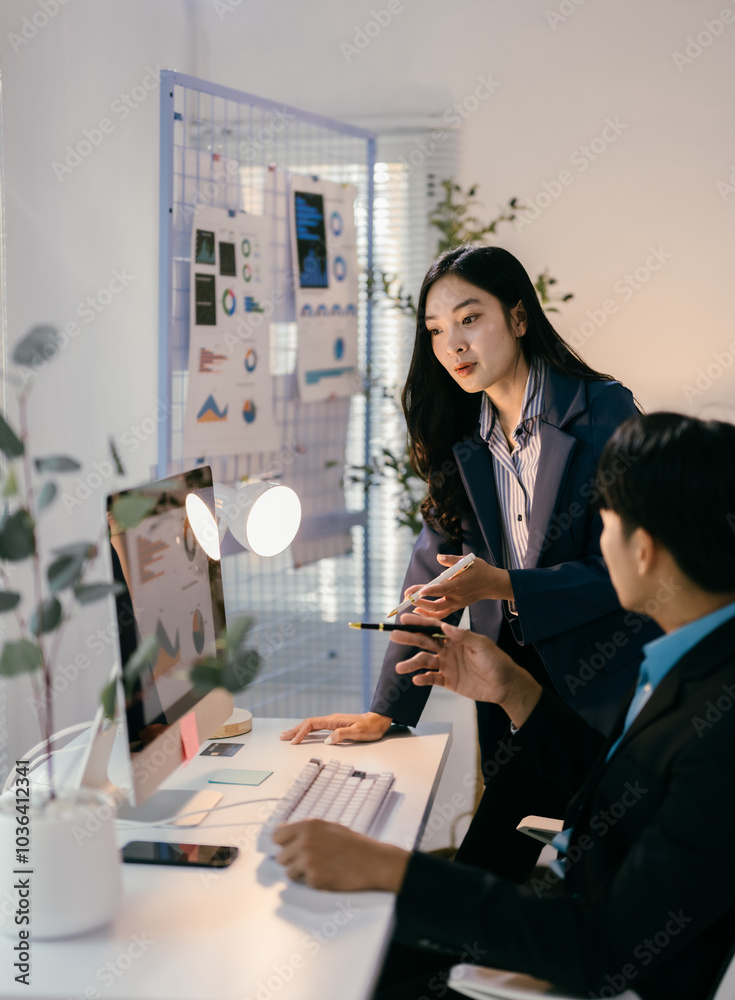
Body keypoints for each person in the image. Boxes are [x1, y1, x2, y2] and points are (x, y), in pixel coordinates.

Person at [273, 412, 735, 1000]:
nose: (599, 540)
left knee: (347, 971)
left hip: (596, 966)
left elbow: (605, 950)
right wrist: (514, 690)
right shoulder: (694, 658)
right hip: (576, 915)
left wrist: (392, 870)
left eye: (607, 522)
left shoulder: (720, 725)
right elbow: (628, 793)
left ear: (642, 549)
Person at [282, 244, 660, 879]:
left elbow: (638, 576)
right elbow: (428, 581)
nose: (452, 344)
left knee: (596, 873)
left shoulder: (603, 414)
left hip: (600, 692)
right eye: (434, 330)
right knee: (500, 872)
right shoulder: (462, 432)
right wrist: (389, 709)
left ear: (517, 317)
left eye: (469, 318)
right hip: (506, 695)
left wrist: (506, 584)